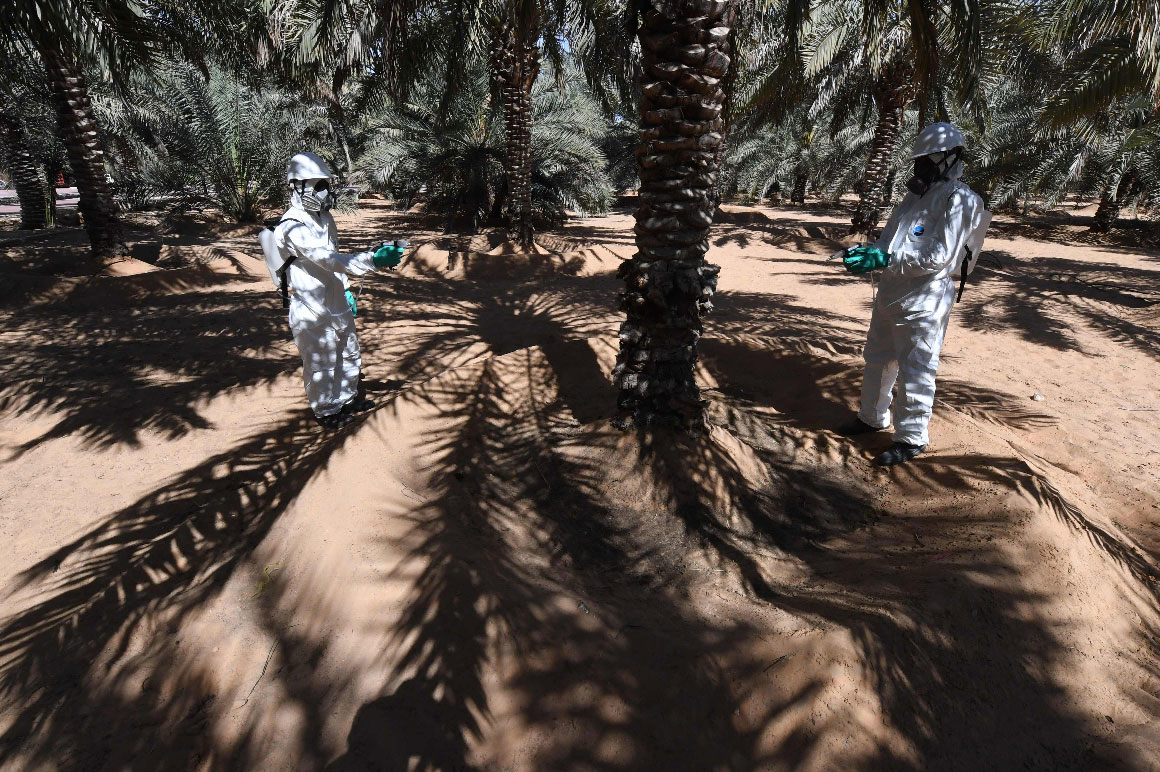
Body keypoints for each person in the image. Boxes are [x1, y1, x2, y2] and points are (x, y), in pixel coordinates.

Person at [837, 123, 988, 465]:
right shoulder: (912, 198)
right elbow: (890, 243)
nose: (922, 167)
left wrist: (886, 258)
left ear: (951, 158)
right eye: (919, 159)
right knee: (877, 358)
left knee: (916, 368)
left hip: (925, 299)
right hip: (891, 291)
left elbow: (939, 257)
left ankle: (911, 438)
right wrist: (867, 253)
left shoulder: (959, 199)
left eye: (930, 159)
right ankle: (871, 418)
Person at [261, 152, 406, 429]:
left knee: (349, 352)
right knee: (322, 362)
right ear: (297, 187)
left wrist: (347, 290)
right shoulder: (290, 227)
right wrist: (372, 260)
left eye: (325, 184)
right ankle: (326, 411)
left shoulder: (325, 218)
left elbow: (335, 257)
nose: (324, 191)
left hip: (336, 299)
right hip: (311, 307)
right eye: (318, 185)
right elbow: (326, 258)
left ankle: (348, 398)